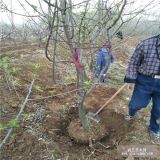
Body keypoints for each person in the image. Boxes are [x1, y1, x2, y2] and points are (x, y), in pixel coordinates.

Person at [124, 34, 160, 142]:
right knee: (136, 104)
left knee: (159, 110)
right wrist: (130, 79)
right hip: (144, 80)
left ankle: (154, 129)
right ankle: (131, 112)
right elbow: (133, 62)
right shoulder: (145, 44)